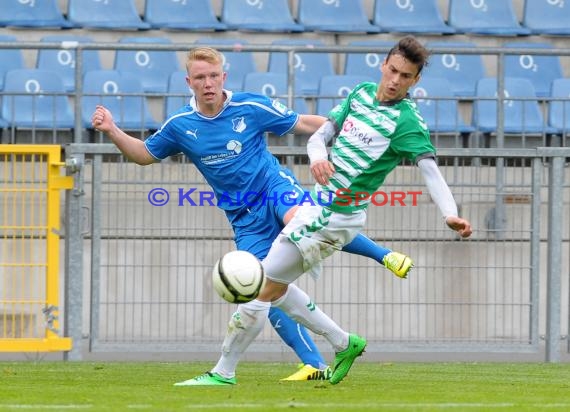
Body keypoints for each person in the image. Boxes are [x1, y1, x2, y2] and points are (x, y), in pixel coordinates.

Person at [91, 46, 413, 382]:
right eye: (200, 77)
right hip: (243, 216)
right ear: (189, 82)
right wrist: (113, 130)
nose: (208, 83)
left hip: (275, 188)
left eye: (214, 76)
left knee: (302, 225)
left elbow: (302, 122)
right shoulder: (181, 125)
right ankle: (317, 361)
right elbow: (144, 155)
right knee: (264, 288)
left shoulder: (250, 105)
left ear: (223, 77)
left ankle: (384, 255)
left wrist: (350, 133)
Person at [176, 36, 472, 386]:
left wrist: (449, 213)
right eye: (393, 70)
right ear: (384, 65)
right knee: (277, 288)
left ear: (415, 81)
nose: (395, 80)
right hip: (316, 206)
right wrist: (318, 159)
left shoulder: (406, 122)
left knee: (257, 289)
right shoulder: (360, 94)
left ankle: (223, 373)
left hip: (336, 217)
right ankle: (344, 342)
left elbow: (430, 170)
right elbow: (319, 137)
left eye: (405, 76)